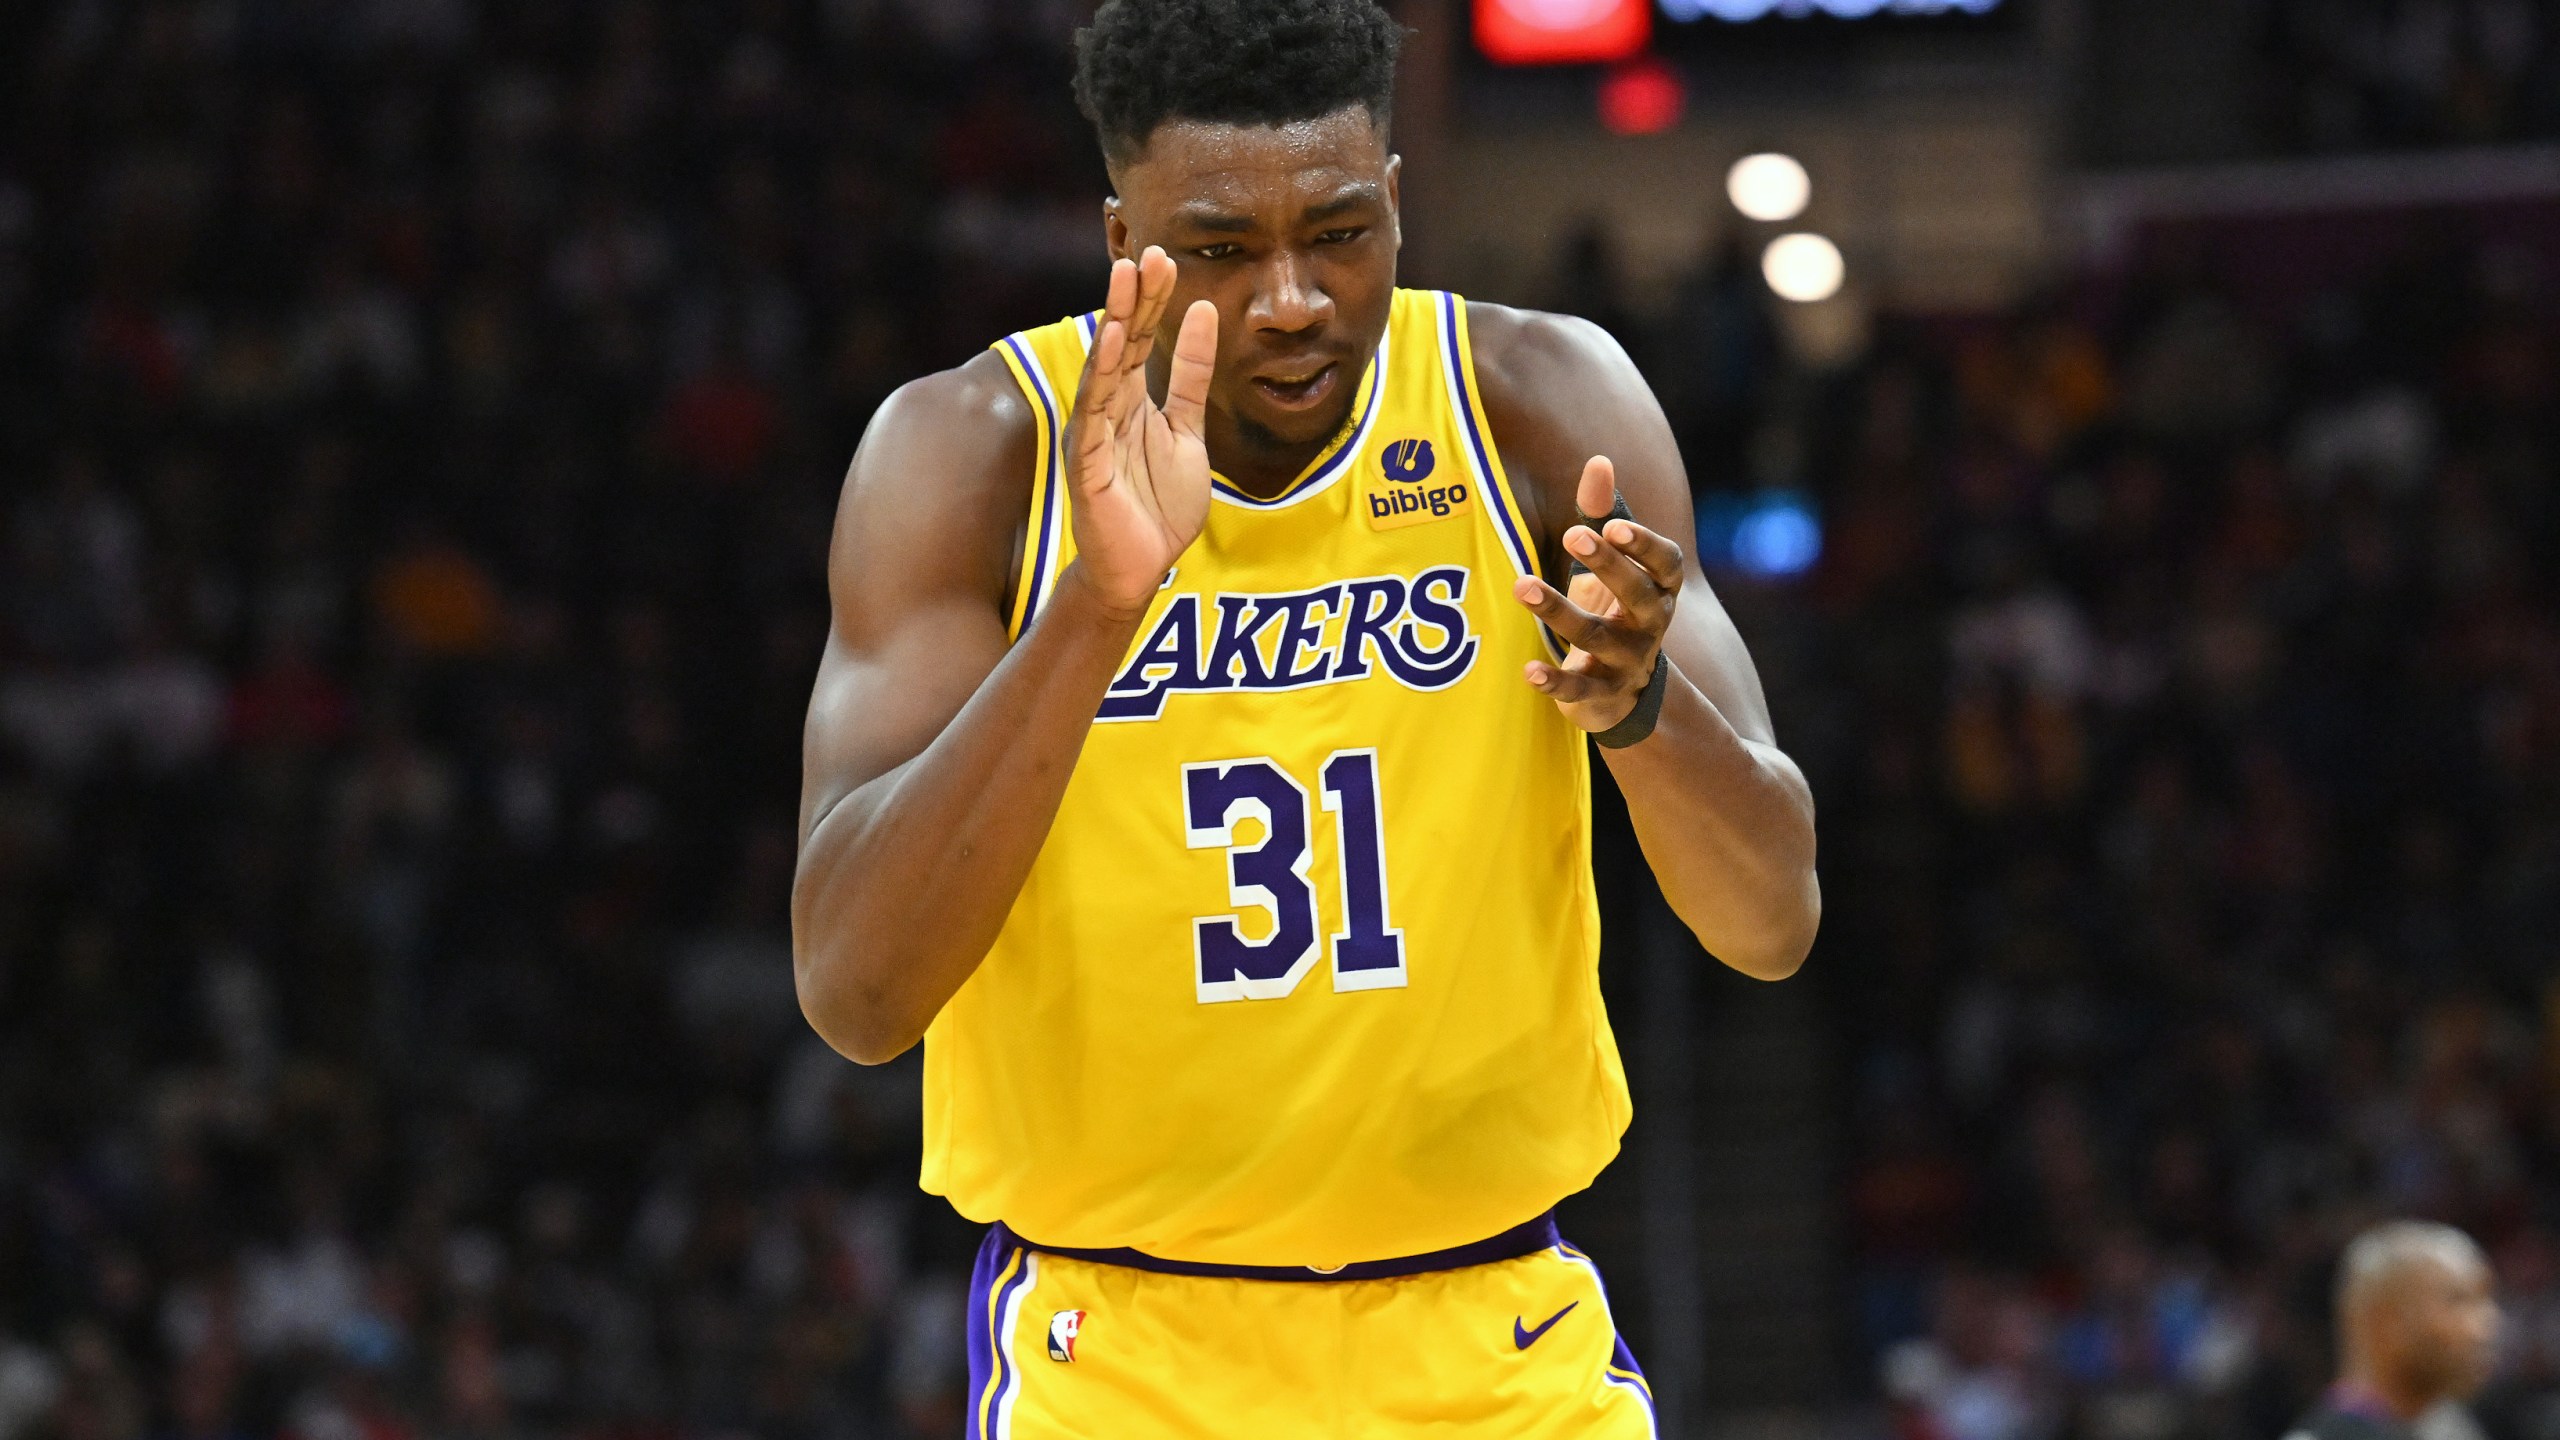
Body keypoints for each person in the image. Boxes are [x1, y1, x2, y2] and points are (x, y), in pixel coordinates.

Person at [789, 0, 1821, 1433]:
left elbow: (1773, 920)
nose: (1290, 297)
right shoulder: (975, 453)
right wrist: (1090, 612)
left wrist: (1646, 711)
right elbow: (854, 992)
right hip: (1127, 1358)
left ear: (1397, 200)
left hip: (1493, 1337)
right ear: (1120, 242)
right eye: (1219, 248)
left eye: (1339, 234)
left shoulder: (1535, 410)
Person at [2284, 1222, 2503, 1440]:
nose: (2486, 1324)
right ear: (2385, 1321)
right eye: (2457, 1301)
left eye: (2485, 1300)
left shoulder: (2456, 1429)